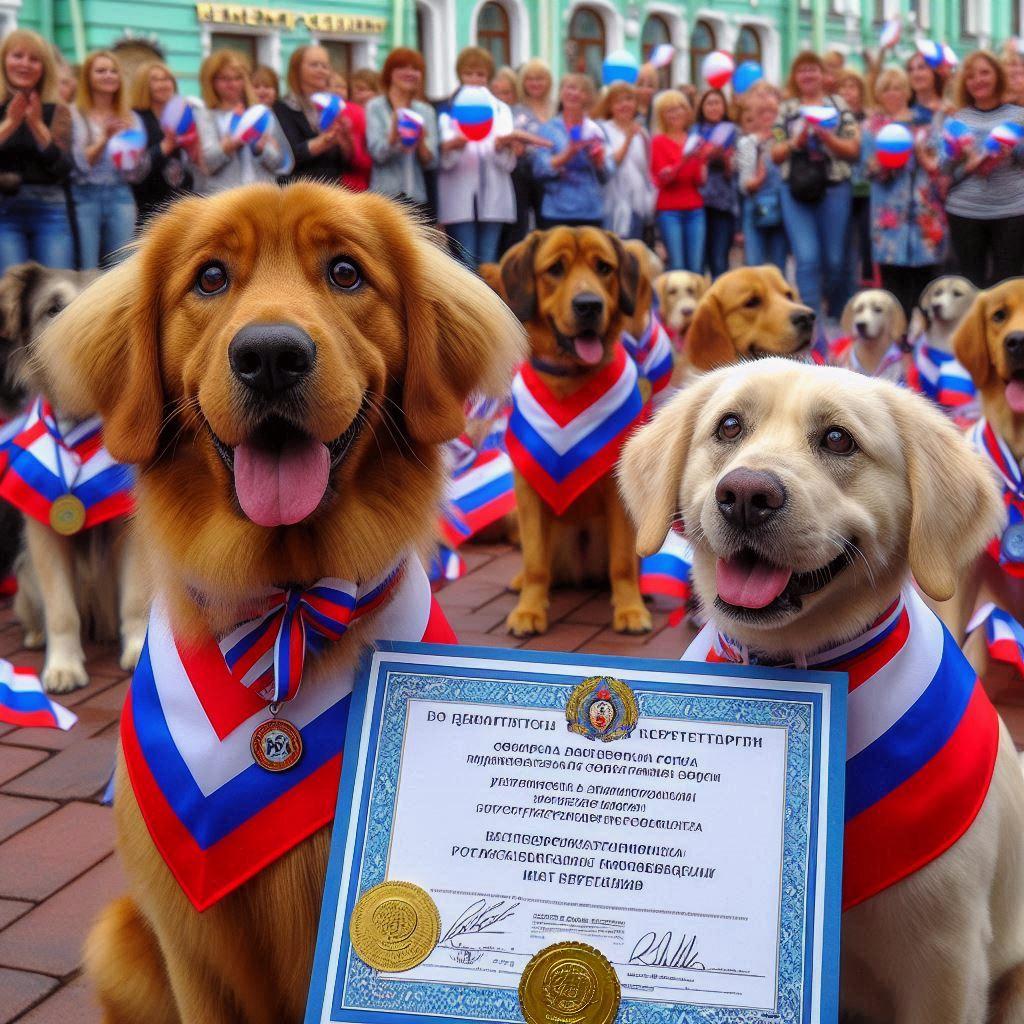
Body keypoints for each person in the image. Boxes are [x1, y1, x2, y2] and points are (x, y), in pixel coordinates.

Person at [772, 51, 860, 322]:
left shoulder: (839, 105)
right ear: (795, 77)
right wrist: (794, 143)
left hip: (835, 188)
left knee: (835, 261)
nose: (808, 75)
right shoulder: (786, 109)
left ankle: (835, 316)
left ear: (824, 75)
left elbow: (854, 150)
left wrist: (827, 138)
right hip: (796, 190)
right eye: (802, 70)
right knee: (807, 259)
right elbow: (775, 152)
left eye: (813, 69)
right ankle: (814, 326)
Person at [862, 68, 946, 317]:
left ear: (906, 91)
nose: (892, 94)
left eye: (898, 88)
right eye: (886, 89)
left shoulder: (924, 121)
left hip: (923, 211)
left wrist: (922, 155)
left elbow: (938, 162)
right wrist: (884, 164)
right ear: (879, 94)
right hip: (889, 214)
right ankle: (897, 339)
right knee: (893, 281)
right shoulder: (872, 126)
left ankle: (922, 337)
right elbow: (866, 169)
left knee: (924, 280)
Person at [942, 50, 1024, 287]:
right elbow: (945, 171)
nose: (978, 80)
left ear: (997, 76)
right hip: (965, 210)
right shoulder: (957, 119)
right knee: (970, 283)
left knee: (1009, 284)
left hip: (1012, 210)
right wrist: (964, 161)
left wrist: (1014, 151)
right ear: (965, 84)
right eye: (971, 76)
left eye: (985, 73)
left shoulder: (1018, 116)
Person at [0, 29, 74, 273]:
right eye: (17, 56)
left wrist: (37, 125)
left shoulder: (58, 110)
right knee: (10, 295)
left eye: (34, 59)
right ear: (4, 61)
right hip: (4, 211)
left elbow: (64, 167)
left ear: (44, 68)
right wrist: (10, 123)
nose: (25, 64)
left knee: (57, 292)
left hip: (49, 208)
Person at [438, 46, 516, 269]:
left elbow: (507, 164)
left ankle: (490, 304)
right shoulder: (448, 109)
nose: (474, 79)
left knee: (489, 261)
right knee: (466, 262)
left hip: (494, 196)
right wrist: (454, 146)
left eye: (480, 74)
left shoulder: (501, 110)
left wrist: (502, 147)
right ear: (460, 75)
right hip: (459, 196)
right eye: (468, 74)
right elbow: (445, 162)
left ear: (488, 77)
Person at [70, 49, 143, 269]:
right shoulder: (75, 113)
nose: (109, 76)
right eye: (101, 71)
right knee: (87, 267)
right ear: (88, 78)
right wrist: (105, 139)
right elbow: (78, 165)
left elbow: (137, 173)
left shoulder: (131, 117)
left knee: (121, 268)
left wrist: (131, 150)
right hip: (85, 196)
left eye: (113, 71)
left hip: (121, 195)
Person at [195, 50, 292, 193]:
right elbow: (206, 165)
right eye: (224, 79)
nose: (232, 83)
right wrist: (229, 146)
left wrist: (261, 150)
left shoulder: (260, 113)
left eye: (238, 78)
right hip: (224, 201)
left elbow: (281, 164)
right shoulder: (205, 116)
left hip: (263, 197)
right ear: (211, 81)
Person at [532, 73, 612, 229]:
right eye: (569, 88)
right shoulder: (548, 129)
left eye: (581, 90)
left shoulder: (596, 129)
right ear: (561, 93)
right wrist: (567, 154)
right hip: (556, 212)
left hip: (591, 211)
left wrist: (598, 162)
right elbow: (539, 170)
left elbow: (608, 174)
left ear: (588, 97)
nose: (574, 93)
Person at [365, 47, 437, 213]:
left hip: (416, 199)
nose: (410, 73)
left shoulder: (425, 111)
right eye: (402, 67)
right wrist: (392, 138)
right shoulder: (375, 107)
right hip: (383, 199)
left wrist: (420, 142)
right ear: (390, 73)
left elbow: (432, 163)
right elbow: (376, 154)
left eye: (415, 69)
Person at [274, 45, 356, 183]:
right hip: (298, 192)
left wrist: (345, 139)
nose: (321, 70)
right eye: (314, 65)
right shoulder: (283, 107)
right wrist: (323, 141)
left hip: (331, 190)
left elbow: (346, 162)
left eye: (325, 65)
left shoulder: (332, 106)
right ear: (297, 69)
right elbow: (288, 157)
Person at [130, 60, 195, 225]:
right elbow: (133, 170)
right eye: (155, 80)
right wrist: (164, 147)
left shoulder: (183, 115)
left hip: (180, 201)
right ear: (144, 86)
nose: (163, 84)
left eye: (166, 79)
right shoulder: (135, 118)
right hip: (146, 203)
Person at [650, 90, 707, 272]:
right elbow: (663, 180)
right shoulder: (657, 142)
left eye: (679, 108)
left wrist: (703, 160)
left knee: (696, 266)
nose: (675, 114)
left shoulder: (694, 140)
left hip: (695, 207)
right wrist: (685, 159)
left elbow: (700, 181)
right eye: (669, 110)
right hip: (669, 210)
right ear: (662, 116)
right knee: (677, 266)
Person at [503, 58, 553, 247]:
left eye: (540, 79)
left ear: (548, 81)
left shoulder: (557, 108)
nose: (535, 83)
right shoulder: (514, 110)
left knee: (547, 228)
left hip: (551, 177)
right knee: (520, 227)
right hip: (521, 175)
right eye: (530, 79)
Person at [737, 84, 787, 270]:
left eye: (771, 112)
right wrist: (758, 179)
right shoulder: (748, 142)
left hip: (782, 205)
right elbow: (744, 184)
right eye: (762, 112)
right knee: (755, 265)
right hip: (756, 205)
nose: (768, 116)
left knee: (778, 265)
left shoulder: (783, 138)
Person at [596, 81, 653, 239]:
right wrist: (628, 139)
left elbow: (647, 171)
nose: (624, 105)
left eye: (629, 99)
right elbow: (611, 164)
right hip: (612, 207)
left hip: (637, 206)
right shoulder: (602, 130)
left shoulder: (643, 134)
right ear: (610, 106)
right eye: (618, 101)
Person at [695, 88, 738, 278]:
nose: (713, 107)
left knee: (719, 260)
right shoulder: (693, 132)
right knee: (699, 259)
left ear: (724, 107)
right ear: (702, 107)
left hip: (723, 202)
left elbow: (738, 169)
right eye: (709, 103)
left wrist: (725, 160)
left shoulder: (734, 132)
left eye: (717, 103)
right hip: (696, 201)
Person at [837, 68, 872, 290]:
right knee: (845, 241)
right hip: (843, 187)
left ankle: (869, 284)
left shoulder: (870, 118)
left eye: (852, 86)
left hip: (868, 188)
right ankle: (848, 287)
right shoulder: (835, 119)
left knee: (867, 239)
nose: (847, 92)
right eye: (843, 87)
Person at [907, 50, 950, 122]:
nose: (915, 74)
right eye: (910, 70)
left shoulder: (949, 110)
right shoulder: (904, 108)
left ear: (935, 72)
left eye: (921, 68)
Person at [634, 63, 659, 128]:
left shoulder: (659, 110)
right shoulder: (629, 109)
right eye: (640, 85)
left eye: (650, 86)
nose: (645, 89)